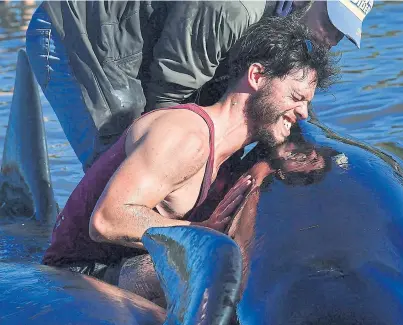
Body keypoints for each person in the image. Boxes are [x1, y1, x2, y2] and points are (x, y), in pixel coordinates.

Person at [41, 16, 339, 302]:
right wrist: (200, 232)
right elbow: (107, 220)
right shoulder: (186, 136)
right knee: (208, 268)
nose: (303, 113)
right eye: (296, 97)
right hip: (74, 277)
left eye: (307, 104)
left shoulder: (231, 156)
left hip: (126, 266)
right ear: (256, 76)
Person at [25, 0, 373, 171]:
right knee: (121, 160)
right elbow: (169, 94)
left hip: (139, 41)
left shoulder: (284, 14)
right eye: (330, 21)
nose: (332, 38)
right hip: (76, 35)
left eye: (344, 31)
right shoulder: (232, 8)